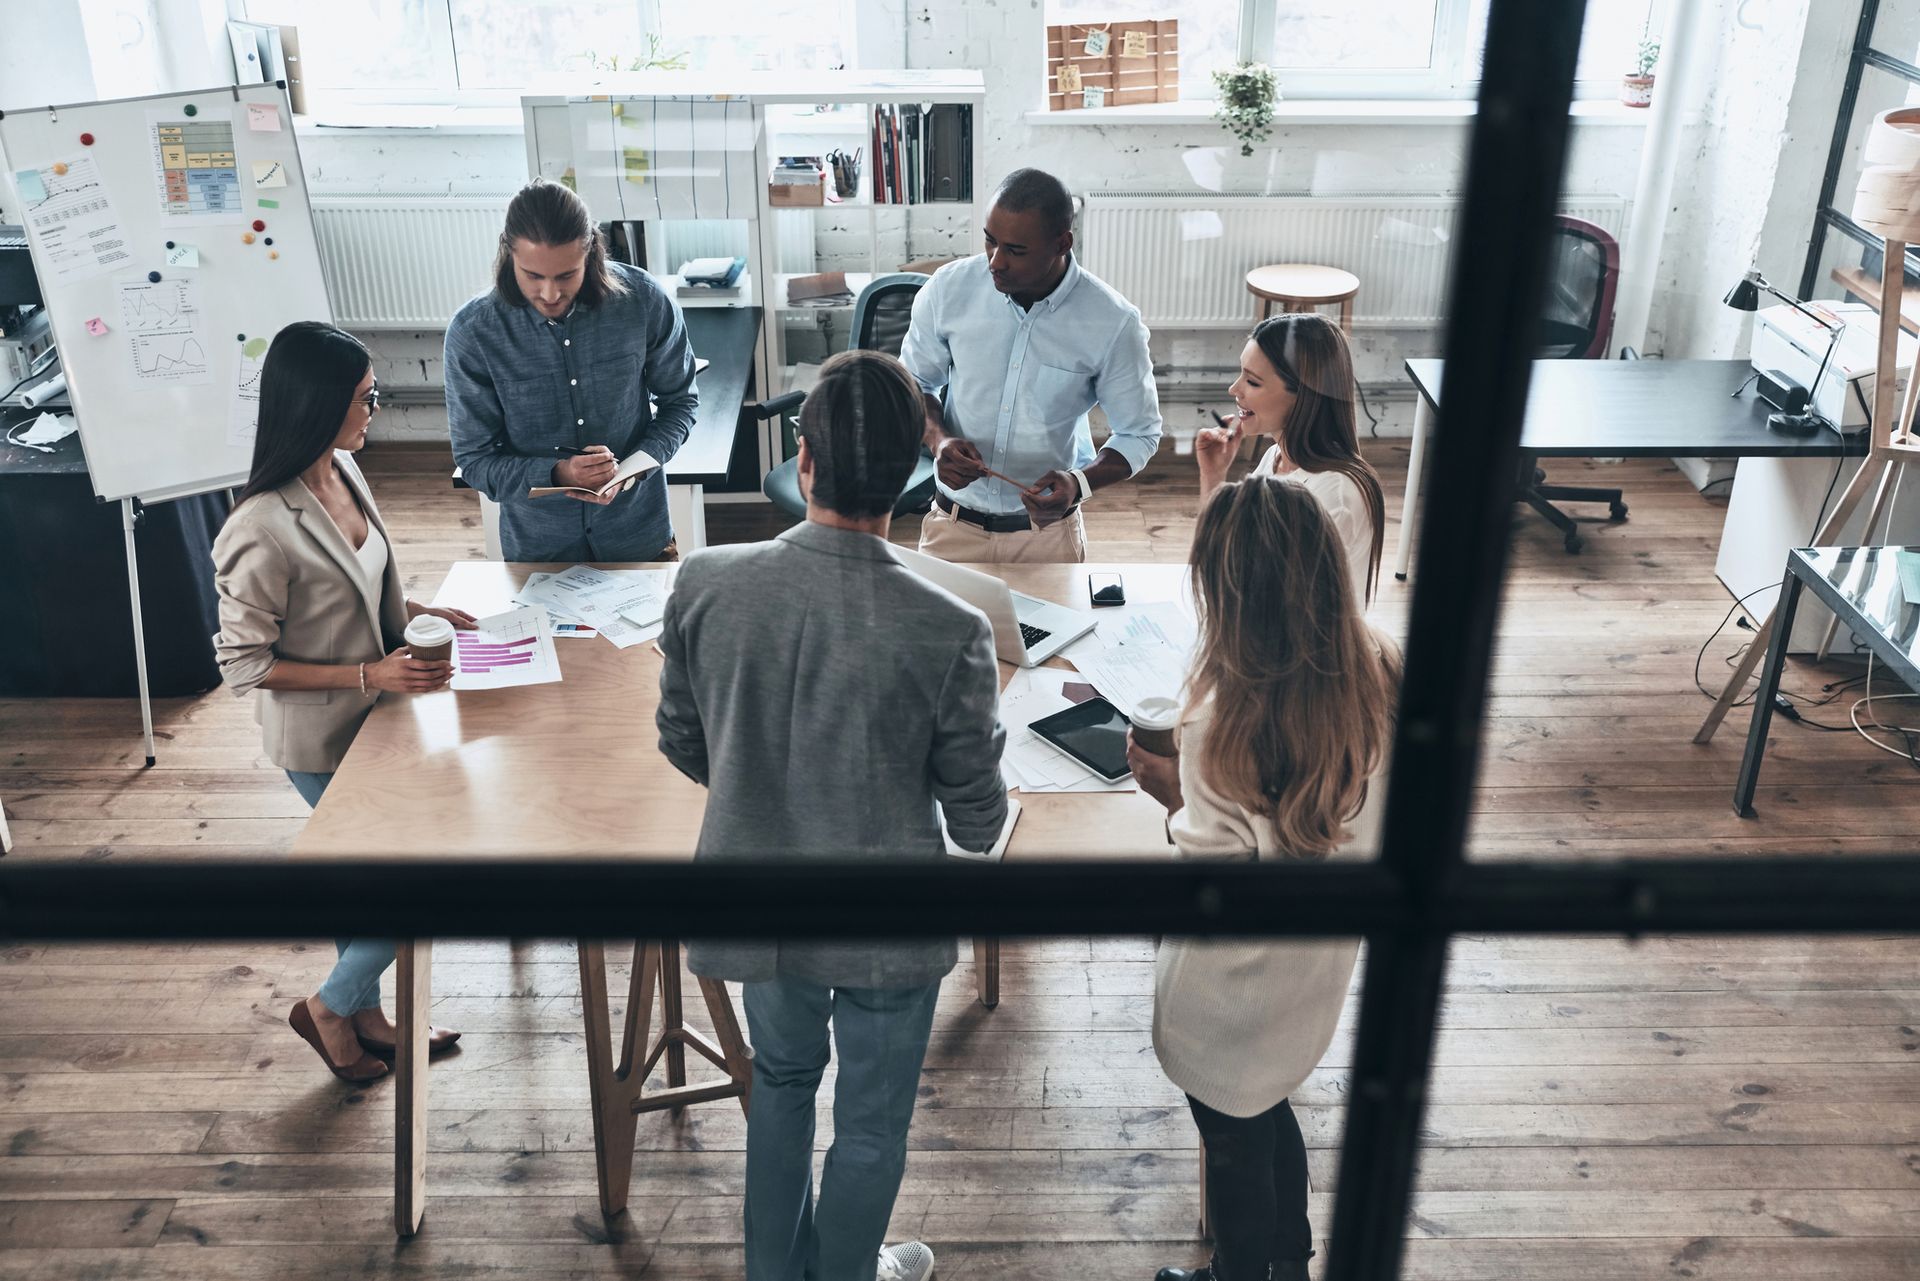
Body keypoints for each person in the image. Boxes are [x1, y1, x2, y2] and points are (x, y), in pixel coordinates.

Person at [656, 349, 1008, 1281]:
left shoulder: (704, 582)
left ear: (802, 460)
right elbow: (976, 821)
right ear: (910, 476)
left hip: (760, 900)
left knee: (779, 1085)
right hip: (888, 920)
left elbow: (684, 742)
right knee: (870, 1123)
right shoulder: (951, 626)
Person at [1127, 477, 1401, 1281]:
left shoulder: (1222, 722)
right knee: (1270, 1115)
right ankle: (1290, 1259)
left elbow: (1207, 883)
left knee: (1235, 1147)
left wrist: (1171, 792)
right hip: (1313, 972)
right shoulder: (1383, 668)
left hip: (1225, 996)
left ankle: (1240, 1272)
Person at [212, 321, 469, 1084]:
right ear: (320, 404)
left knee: (364, 886)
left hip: (384, 721)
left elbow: (362, 584)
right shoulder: (259, 526)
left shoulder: (345, 470)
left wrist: (426, 609)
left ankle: (364, 1019)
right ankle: (329, 1007)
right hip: (324, 738)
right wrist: (370, 676)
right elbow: (243, 664)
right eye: (365, 398)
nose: (376, 410)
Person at [899, 166, 1163, 563]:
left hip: (1047, 537)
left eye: (1015, 251)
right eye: (990, 242)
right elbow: (914, 384)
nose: (995, 262)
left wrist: (1079, 483)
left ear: (1062, 243)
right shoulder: (948, 289)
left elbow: (1139, 434)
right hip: (951, 527)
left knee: (1049, 630)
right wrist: (940, 442)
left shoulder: (1112, 322)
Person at [445, 177, 699, 561]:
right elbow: (476, 460)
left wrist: (630, 469)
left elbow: (680, 404)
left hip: (639, 536)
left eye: (566, 275)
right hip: (540, 550)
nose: (550, 294)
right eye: (533, 275)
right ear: (508, 252)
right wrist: (558, 473)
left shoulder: (644, 301)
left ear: (592, 252)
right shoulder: (473, 332)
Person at [1193, 312, 1387, 602]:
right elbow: (1219, 560)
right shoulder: (1276, 459)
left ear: (1304, 395)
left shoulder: (1334, 498)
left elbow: (1263, 603)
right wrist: (1213, 476)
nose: (1234, 389)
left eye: (1253, 382)